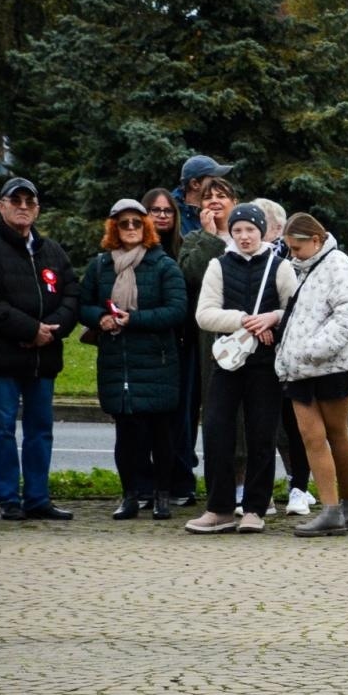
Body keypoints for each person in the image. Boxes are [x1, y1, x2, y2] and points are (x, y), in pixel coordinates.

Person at [0, 177, 80, 522]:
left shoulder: (52, 250)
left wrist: (51, 331)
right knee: (1, 429)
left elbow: (72, 295)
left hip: (42, 358)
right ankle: (8, 500)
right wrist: (31, 330)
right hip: (3, 356)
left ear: (37, 209)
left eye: (29, 202)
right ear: (1, 206)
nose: (22, 207)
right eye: (15, 201)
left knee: (40, 428)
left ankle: (37, 497)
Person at [185, 203, 299, 534]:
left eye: (250, 229)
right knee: (218, 430)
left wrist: (273, 318)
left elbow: (293, 309)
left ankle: (255, 508)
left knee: (261, 433)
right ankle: (219, 508)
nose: (244, 236)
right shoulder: (218, 266)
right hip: (227, 361)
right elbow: (204, 314)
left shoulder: (280, 267)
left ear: (261, 231)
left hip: (264, 364)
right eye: (237, 231)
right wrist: (245, 321)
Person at [78, 199, 187, 520]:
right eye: (123, 223)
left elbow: (177, 309)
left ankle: (162, 495)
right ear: (114, 228)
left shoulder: (164, 265)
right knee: (126, 436)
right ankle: (129, 495)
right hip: (118, 361)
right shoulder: (100, 266)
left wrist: (133, 319)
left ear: (146, 227)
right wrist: (100, 318)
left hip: (158, 361)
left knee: (160, 434)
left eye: (136, 223)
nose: (129, 229)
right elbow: (82, 304)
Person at [274, 212, 348, 537]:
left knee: (336, 434)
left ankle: (345, 506)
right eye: (288, 248)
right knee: (313, 437)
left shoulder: (337, 263)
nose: (291, 254)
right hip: (301, 369)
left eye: (296, 247)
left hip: (328, 366)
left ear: (316, 240)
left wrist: (312, 349)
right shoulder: (304, 267)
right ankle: (334, 509)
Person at [254, 196, 314, 518]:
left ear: (277, 228)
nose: (251, 233)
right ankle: (262, 492)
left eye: (261, 226)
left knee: (296, 425)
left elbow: (300, 306)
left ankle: (299, 487)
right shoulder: (244, 260)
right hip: (258, 355)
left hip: (291, 354)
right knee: (262, 425)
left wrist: (273, 320)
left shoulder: (291, 261)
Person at [142, 187, 199, 507]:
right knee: (148, 419)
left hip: (182, 341)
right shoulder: (134, 250)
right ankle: (147, 483)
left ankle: (180, 480)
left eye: (168, 210)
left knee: (183, 416)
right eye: (156, 210)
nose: (162, 215)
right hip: (146, 345)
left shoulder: (184, 248)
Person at [175, 154, 235, 235]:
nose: (218, 183)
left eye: (221, 196)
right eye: (213, 178)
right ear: (195, 184)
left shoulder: (224, 213)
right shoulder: (172, 215)